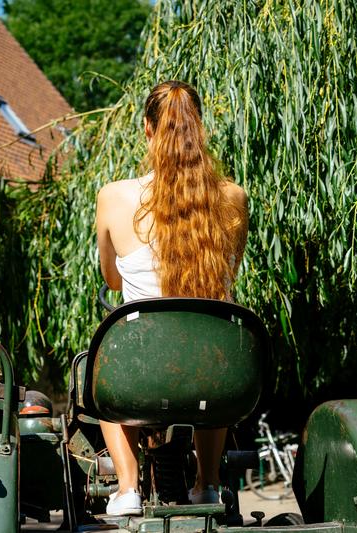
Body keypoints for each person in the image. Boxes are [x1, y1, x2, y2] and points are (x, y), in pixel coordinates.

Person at [95, 80, 249, 516]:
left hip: (139, 373)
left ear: (147, 129)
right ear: (198, 128)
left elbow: (111, 280)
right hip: (213, 374)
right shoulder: (233, 198)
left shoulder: (113, 197)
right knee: (212, 355)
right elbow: (226, 279)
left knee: (103, 370)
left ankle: (127, 489)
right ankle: (208, 485)